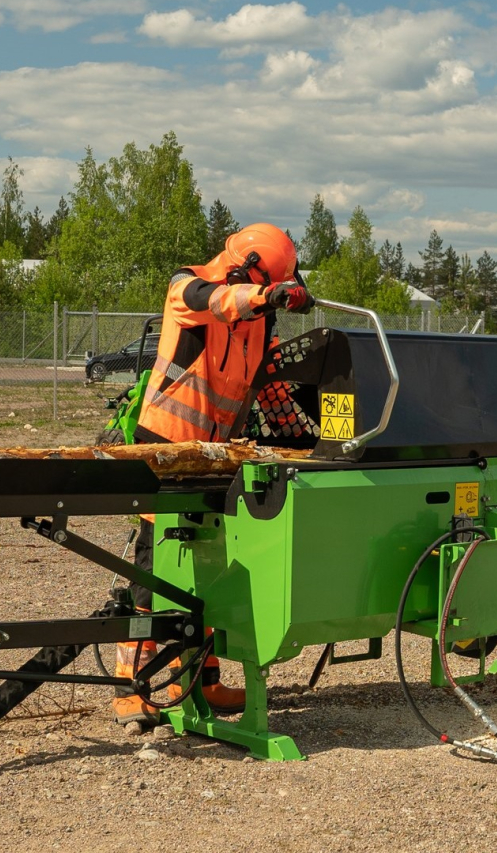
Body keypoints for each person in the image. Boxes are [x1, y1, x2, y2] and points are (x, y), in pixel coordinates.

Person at [110, 222, 312, 733]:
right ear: (249, 269)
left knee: (214, 564)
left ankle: (199, 678)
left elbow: (268, 388)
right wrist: (266, 296)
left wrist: (306, 438)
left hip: (219, 457)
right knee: (154, 569)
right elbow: (217, 299)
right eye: (269, 283)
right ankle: (130, 684)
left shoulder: (259, 322)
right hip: (165, 451)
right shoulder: (189, 286)